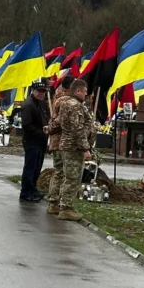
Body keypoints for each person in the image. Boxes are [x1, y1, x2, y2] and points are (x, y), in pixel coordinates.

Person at [50, 78, 94, 221]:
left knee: (67, 176)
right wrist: (85, 148)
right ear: (78, 91)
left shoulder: (66, 102)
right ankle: (66, 208)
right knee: (73, 178)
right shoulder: (74, 105)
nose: (86, 94)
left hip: (67, 145)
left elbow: (59, 122)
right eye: (85, 91)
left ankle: (59, 204)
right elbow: (77, 128)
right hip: (73, 146)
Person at [19, 81, 50, 202]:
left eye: (43, 92)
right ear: (33, 91)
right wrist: (42, 133)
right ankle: (26, 192)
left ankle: (32, 188)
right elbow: (27, 125)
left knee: (37, 167)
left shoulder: (42, 103)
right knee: (30, 167)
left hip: (40, 141)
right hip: (32, 141)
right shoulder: (28, 105)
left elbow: (46, 118)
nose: (41, 94)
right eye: (39, 91)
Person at [45, 78, 71, 215]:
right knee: (60, 172)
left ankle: (54, 201)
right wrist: (50, 128)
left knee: (59, 171)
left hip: (58, 141)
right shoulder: (64, 101)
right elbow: (59, 122)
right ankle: (54, 201)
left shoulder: (59, 99)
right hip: (60, 141)